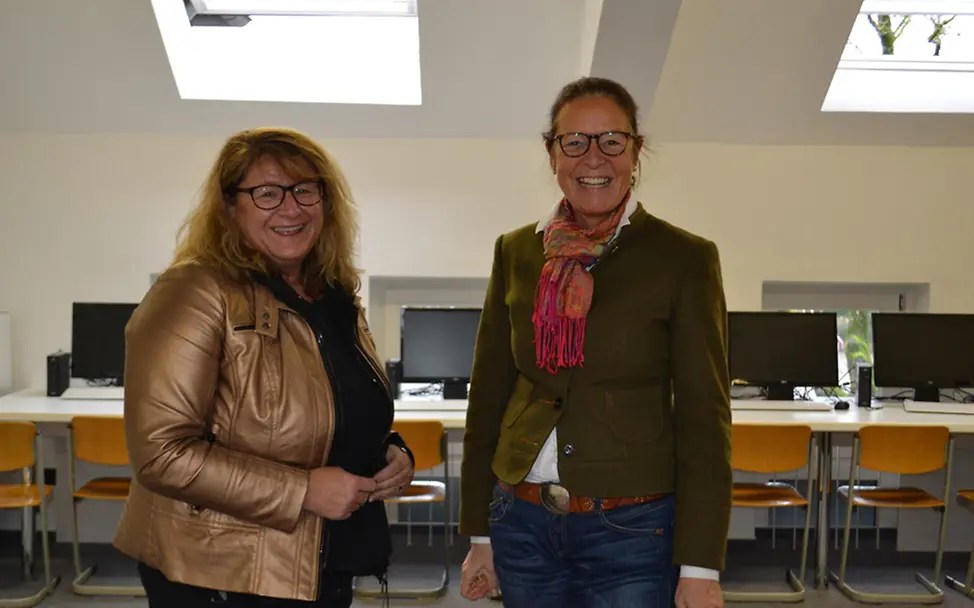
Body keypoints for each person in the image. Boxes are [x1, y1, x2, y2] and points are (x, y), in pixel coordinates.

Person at [113, 127, 416, 607]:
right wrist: (301, 490)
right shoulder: (193, 292)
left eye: (305, 190)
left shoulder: (333, 297)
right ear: (231, 206)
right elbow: (161, 453)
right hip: (222, 572)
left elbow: (335, 406)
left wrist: (389, 451)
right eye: (267, 193)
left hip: (320, 557)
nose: (291, 208)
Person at [458, 77, 732, 608]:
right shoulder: (516, 251)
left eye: (612, 140)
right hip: (520, 519)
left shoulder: (684, 258)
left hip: (632, 526)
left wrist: (701, 564)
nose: (593, 157)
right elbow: (487, 396)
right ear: (552, 152)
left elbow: (705, 418)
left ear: (635, 151)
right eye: (574, 141)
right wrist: (478, 536)